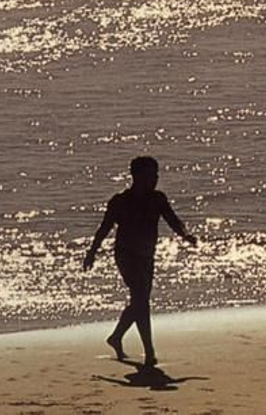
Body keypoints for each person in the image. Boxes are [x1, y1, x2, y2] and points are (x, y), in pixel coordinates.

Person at [83, 155, 197, 368]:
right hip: (126, 255)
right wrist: (92, 253)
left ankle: (116, 337)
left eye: (156, 175)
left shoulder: (158, 199)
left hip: (147, 256)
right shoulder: (120, 201)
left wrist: (186, 235)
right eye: (150, 175)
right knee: (142, 300)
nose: (154, 179)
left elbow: (174, 221)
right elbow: (104, 229)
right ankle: (149, 352)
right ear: (136, 176)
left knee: (139, 301)